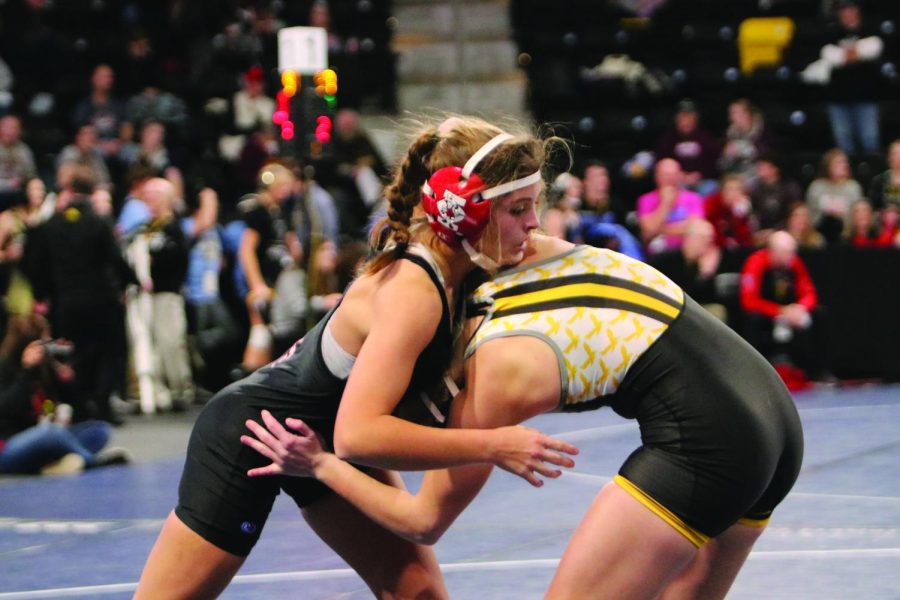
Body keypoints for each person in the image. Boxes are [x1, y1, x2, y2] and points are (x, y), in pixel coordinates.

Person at [134, 116, 578, 599]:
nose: (533, 224)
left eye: (535, 206)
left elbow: (576, 257)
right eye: (518, 209)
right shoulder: (416, 289)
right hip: (255, 435)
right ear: (461, 212)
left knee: (420, 594)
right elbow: (359, 434)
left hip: (318, 441)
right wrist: (492, 444)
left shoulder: (468, 256)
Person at [243, 230, 804, 600]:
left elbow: (422, 522)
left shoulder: (491, 378)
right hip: (772, 412)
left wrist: (319, 464)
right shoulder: (514, 256)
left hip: (711, 440)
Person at [0, 314, 131, 475]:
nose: (48, 345)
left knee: (99, 430)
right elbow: (8, 409)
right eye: (45, 341)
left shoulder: (44, 370)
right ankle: (91, 462)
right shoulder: (5, 368)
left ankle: (51, 464)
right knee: (52, 433)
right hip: (8, 447)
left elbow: (76, 410)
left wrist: (65, 379)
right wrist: (26, 371)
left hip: (42, 437)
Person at [739, 230, 832, 381]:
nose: (791, 257)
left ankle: (818, 371)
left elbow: (809, 292)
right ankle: (754, 374)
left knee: (820, 314)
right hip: (767, 313)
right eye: (786, 253)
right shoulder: (755, 263)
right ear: (773, 252)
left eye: (792, 252)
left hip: (791, 311)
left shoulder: (794, 262)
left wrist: (800, 308)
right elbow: (749, 300)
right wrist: (779, 311)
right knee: (752, 319)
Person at [637, 157, 705, 255]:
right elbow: (649, 231)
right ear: (656, 176)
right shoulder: (645, 200)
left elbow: (696, 227)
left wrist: (661, 229)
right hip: (658, 251)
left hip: (686, 248)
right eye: (666, 175)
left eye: (674, 174)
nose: (670, 178)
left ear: (680, 176)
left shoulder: (693, 198)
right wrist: (665, 204)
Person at [805, 148, 863, 244]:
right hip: (820, 230)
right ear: (828, 165)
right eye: (838, 163)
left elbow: (858, 214)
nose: (844, 165)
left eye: (845, 162)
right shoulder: (816, 186)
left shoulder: (853, 187)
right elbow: (811, 213)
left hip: (848, 231)